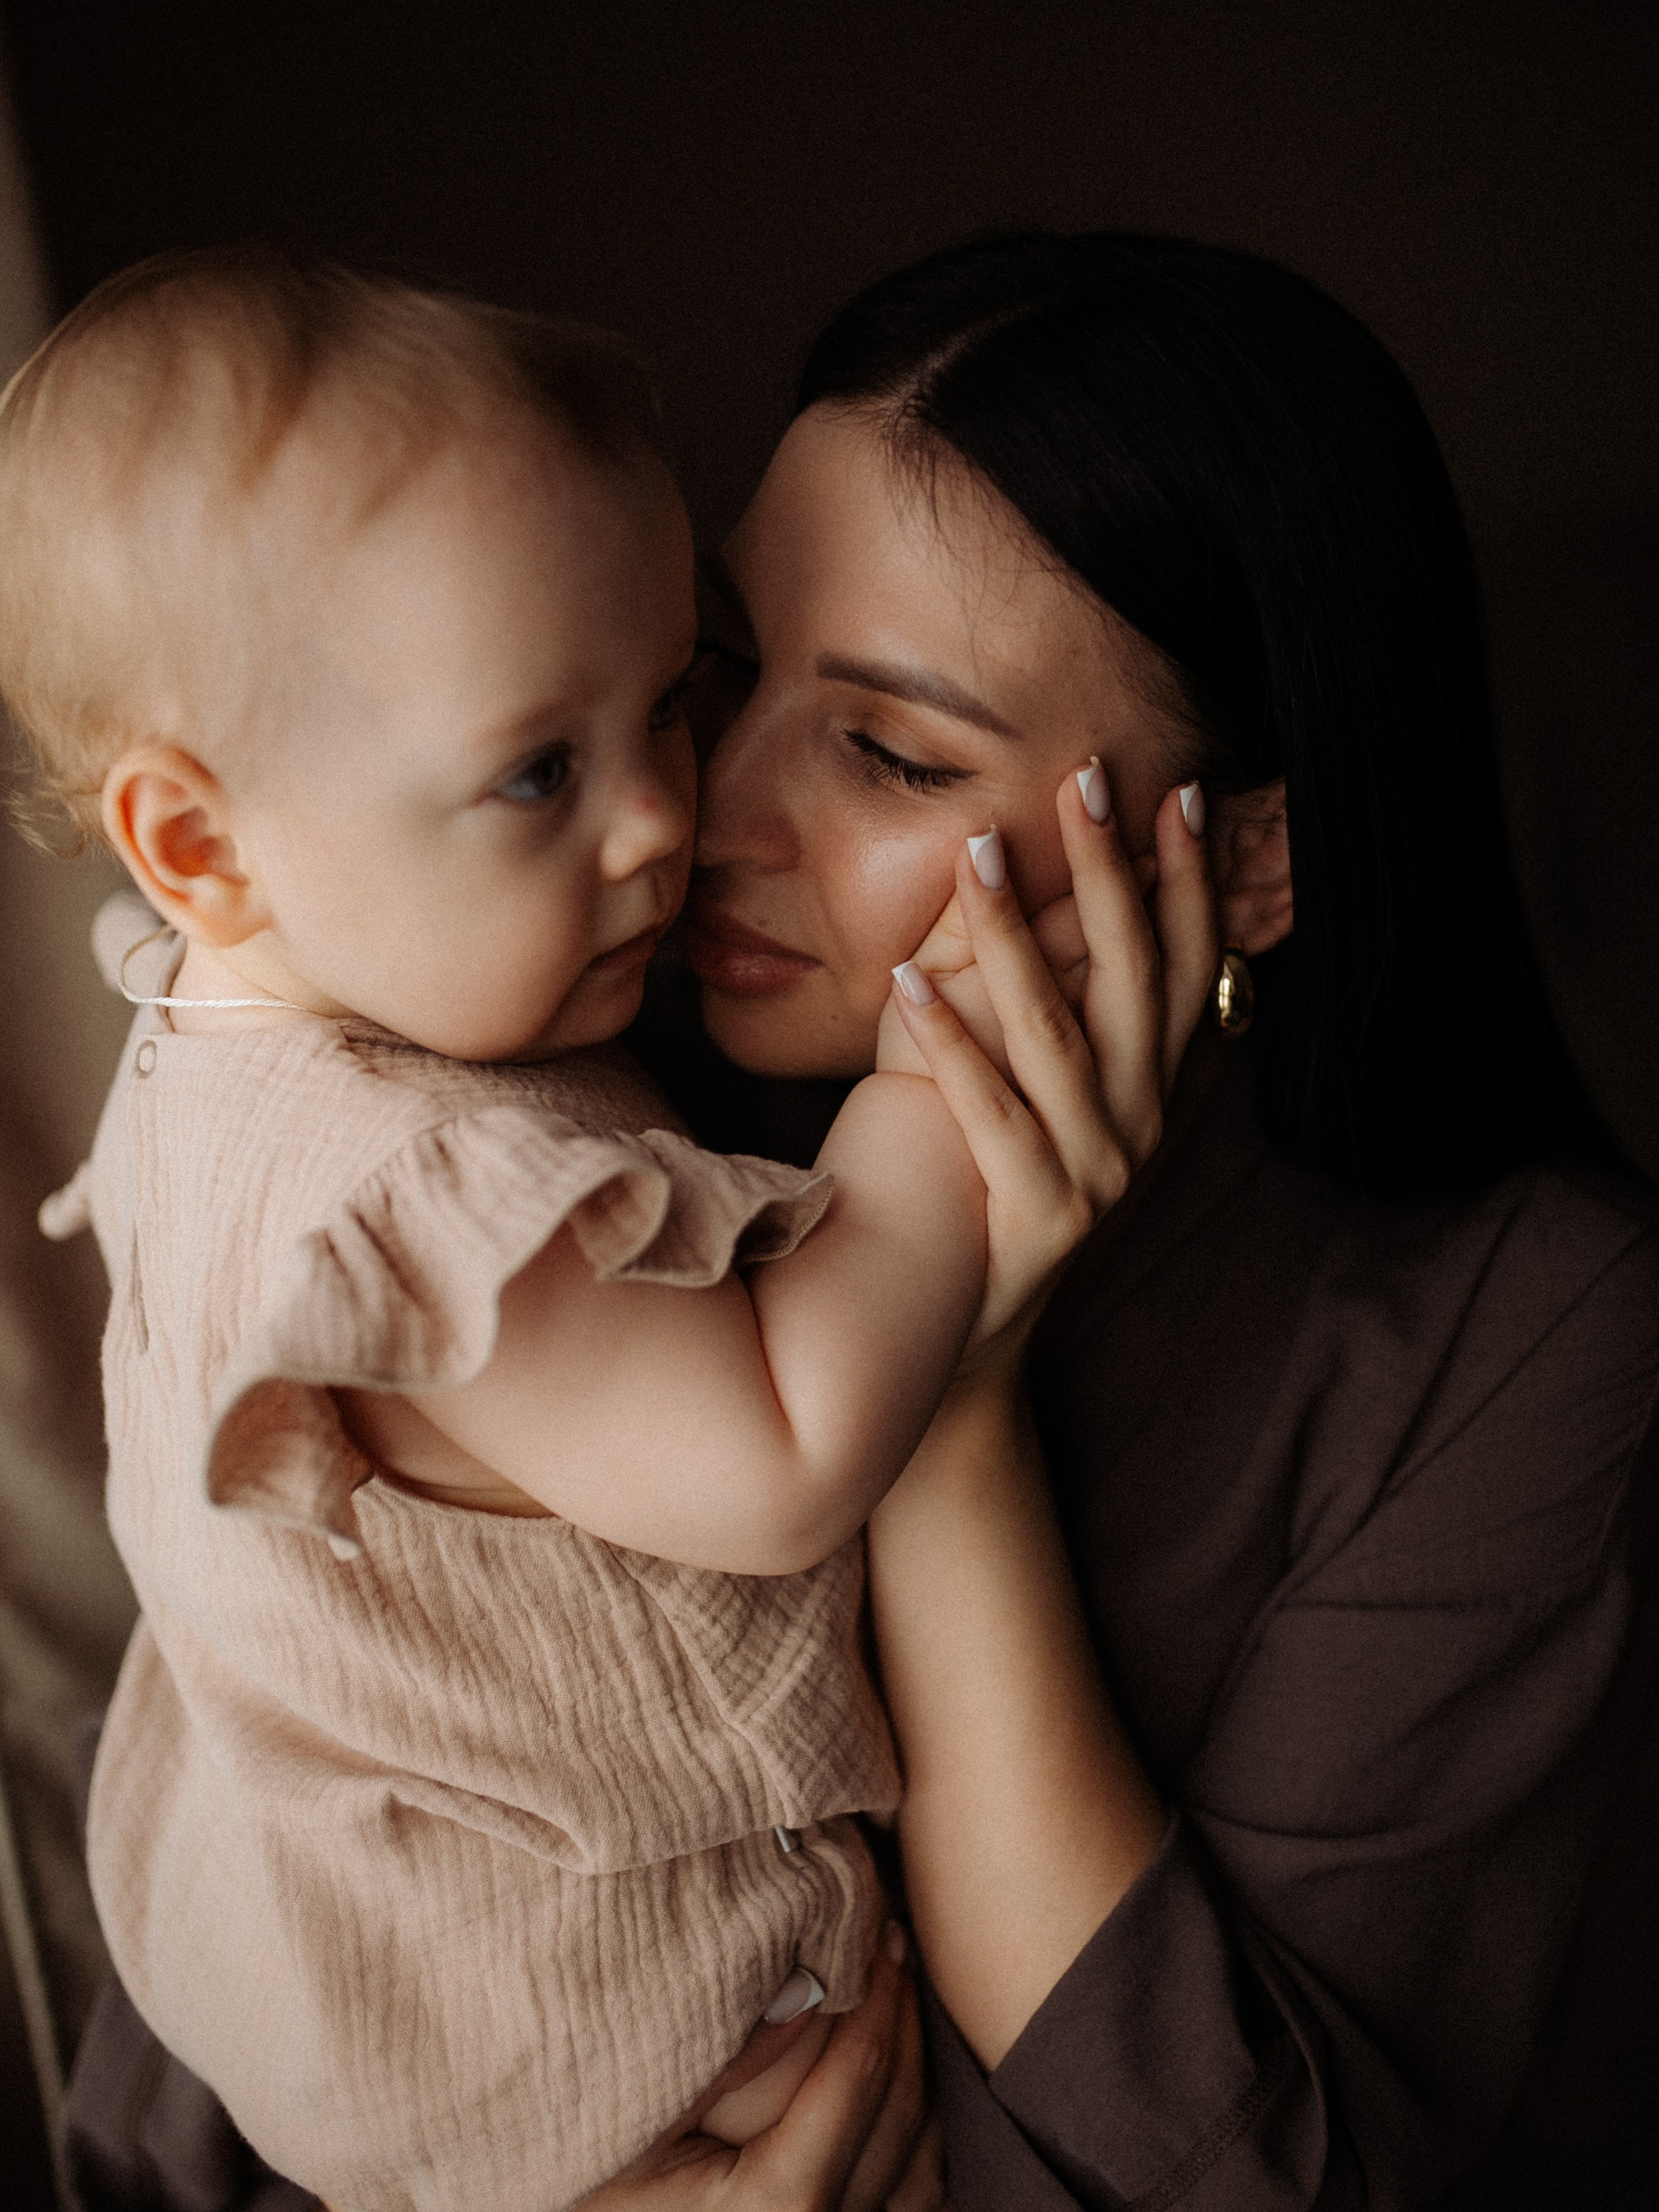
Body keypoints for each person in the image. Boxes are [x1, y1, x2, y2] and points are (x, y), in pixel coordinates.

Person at [1, 246, 1215, 2212]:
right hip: (593, 2050)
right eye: (541, 772)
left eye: (665, 703)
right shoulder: (423, 1200)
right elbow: (783, 1453)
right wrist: (929, 1101)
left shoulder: (229, 1024)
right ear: (203, 846)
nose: (670, 818)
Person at [600, 232, 1659, 2208]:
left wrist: (951, 1401)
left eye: (891, 752)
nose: (700, 815)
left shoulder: (1521, 1327)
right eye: (718, 663)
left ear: (1245, 856)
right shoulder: (559, 1157)